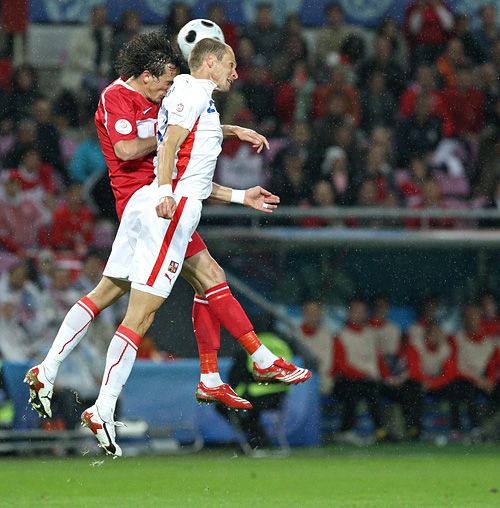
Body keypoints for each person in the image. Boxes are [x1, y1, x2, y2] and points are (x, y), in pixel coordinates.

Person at [25, 34, 310, 453]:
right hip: (153, 205)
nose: (167, 90)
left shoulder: (173, 100)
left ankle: (50, 369)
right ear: (146, 75)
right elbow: (132, 149)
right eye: (163, 83)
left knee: (155, 284)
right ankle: (105, 407)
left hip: (161, 200)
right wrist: (169, 157)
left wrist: (228, 162)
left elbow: (188, 159)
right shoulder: (117, 97)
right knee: (142, 315)